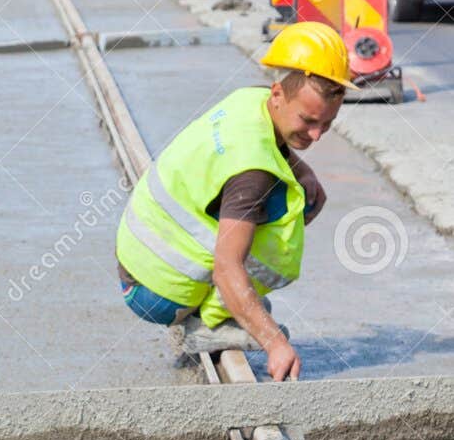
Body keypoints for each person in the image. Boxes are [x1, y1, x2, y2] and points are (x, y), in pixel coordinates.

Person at [115, 23, 356, 381]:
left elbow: (266, 144)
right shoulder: (253, 175)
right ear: (278, 94)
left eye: (327, 123)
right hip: (157, 293)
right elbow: (227, 267)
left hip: (137, 263)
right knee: (285, 210)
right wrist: (274, 342)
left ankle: (233, 306)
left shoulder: (249, 100)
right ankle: (212, 320)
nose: (317, 135)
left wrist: (300, 168)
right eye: (307, 121)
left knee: (296, 189)